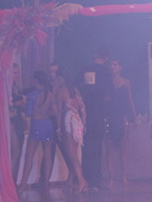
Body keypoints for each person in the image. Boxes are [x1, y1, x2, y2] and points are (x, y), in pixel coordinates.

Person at [18, 71, 60, 194]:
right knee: (47, 155)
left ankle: (23, 184)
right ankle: (46, 183)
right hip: (48, 125)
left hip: (36, 125)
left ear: (35, 80)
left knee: (29, 156)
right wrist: (46, 111)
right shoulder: (50, 94)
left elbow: (28, 113)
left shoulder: (32, 95)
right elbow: (55, 112)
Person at [79, 48, 112, 190]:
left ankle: (85, 177)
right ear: (107, 57)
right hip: (99, 113)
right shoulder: (106, 72)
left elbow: (78, 88)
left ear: (95, 54)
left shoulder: (86, 69)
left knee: (86, 146)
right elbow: (109, 94)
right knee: (97, 146)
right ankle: (95, 179)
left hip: (86, 112)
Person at [104, 59, 136, 187]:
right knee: (110, 149)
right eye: (111, 64)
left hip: (122, 118)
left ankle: (123, 176)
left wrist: (134, 117)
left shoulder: (126, 82)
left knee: (123, 149)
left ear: (120, 67)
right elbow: (104, 100)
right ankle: (111, 178)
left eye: (115, 64)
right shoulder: (107, 82)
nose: (112, 66)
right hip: (110, 117)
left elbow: (130, 100)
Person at [58, 76, 89, 193]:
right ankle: (71, 180)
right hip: (77, 120)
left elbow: (59, 112)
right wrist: (84, 123)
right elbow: (83, 107)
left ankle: (81, 180)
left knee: (71, 154)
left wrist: (58, 128)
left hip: (69, 121)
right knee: (74, 153)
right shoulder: (75, 91)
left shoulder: (62, 92)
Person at [9, 63, 26, 181]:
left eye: (18, 72)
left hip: (19, 119)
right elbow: (5, 105)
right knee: (15, 151)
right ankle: (9, 181)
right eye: (14, 73)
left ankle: (13, 181)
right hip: (11, 121)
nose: (17, 75)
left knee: (18, 153)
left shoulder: (16, 86)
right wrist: (16, 104)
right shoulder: (6, 87)